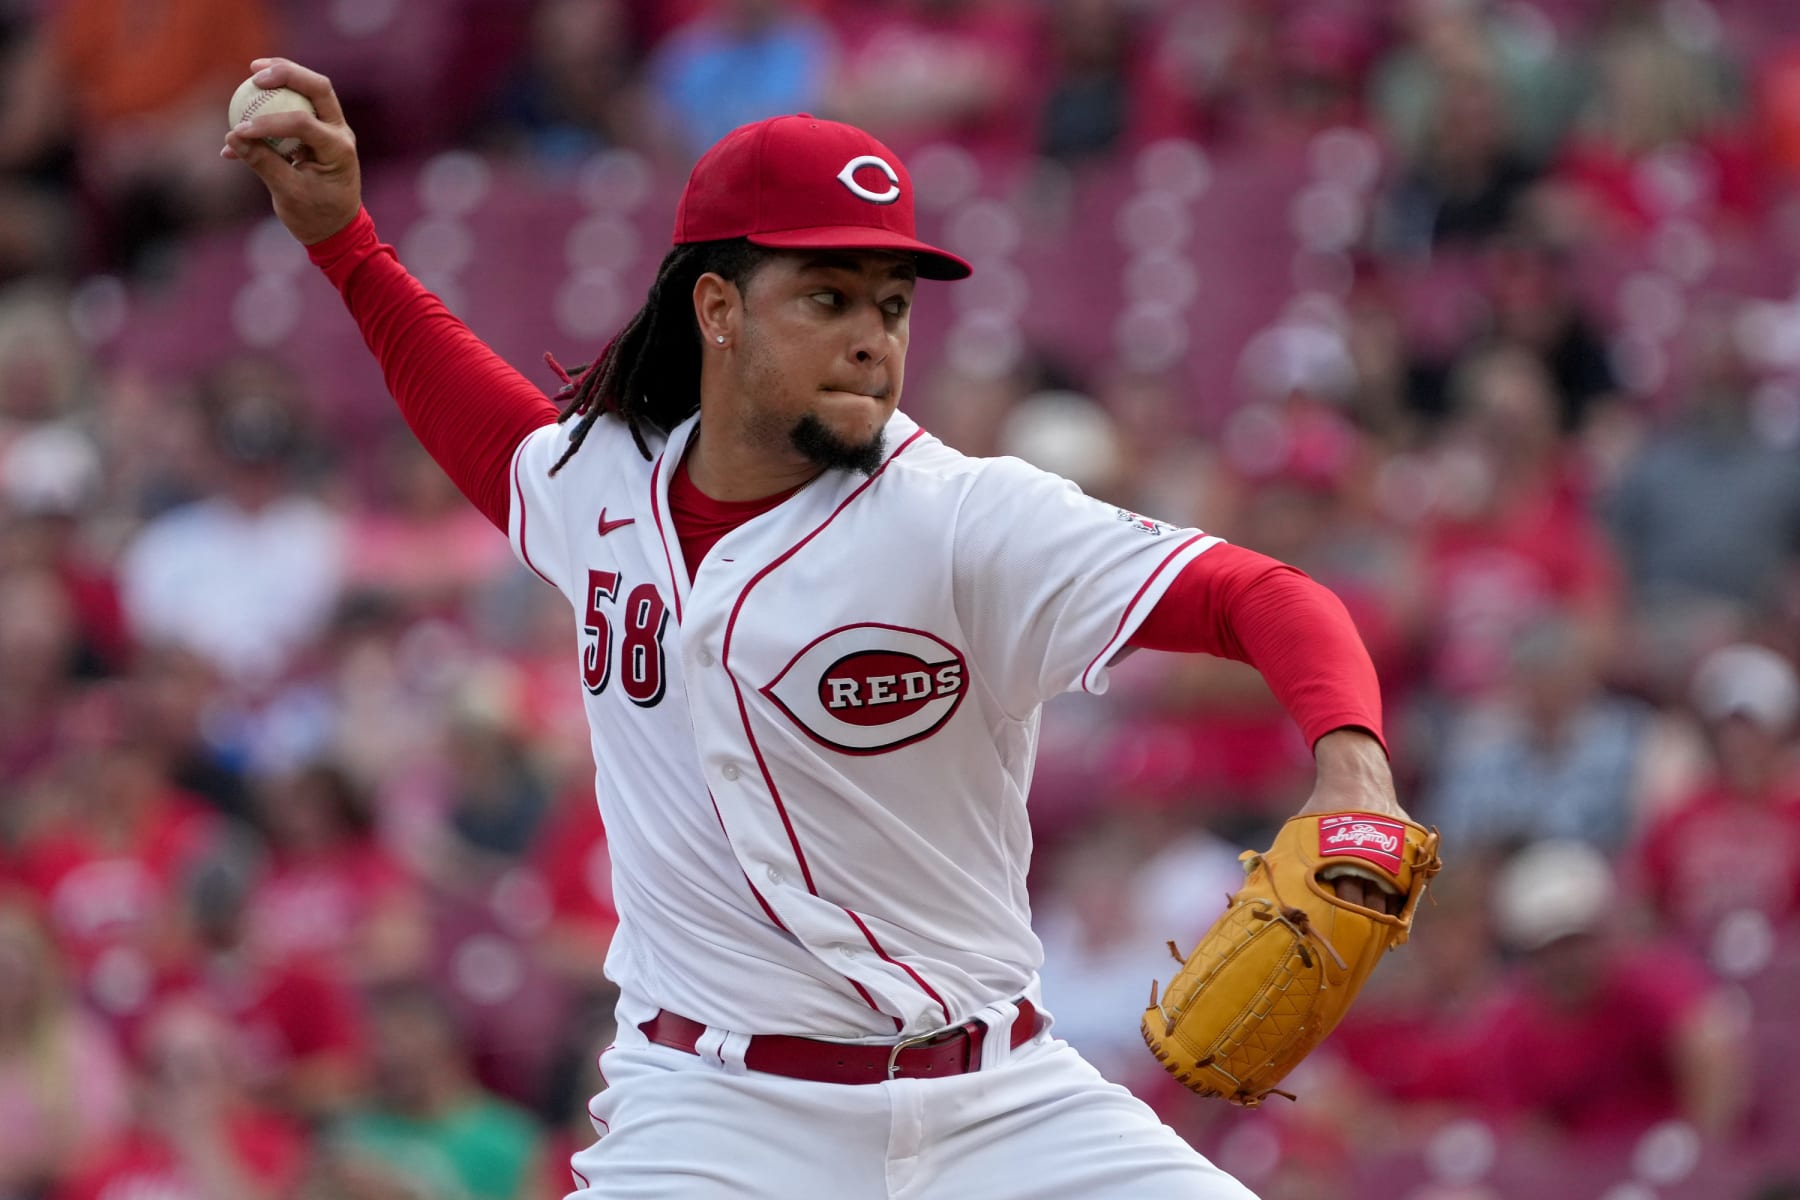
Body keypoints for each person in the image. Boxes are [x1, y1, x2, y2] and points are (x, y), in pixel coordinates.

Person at [226, 56, 1415, 1199]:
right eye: (829, 296)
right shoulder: (601, 485)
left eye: (891, 305)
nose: (873, 336)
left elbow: (1266, 596)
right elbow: (476, 417)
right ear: (718, 308)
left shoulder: (965, 521)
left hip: (999, 1101)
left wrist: (1351, 764)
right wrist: (344, 242)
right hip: (712, 1115)